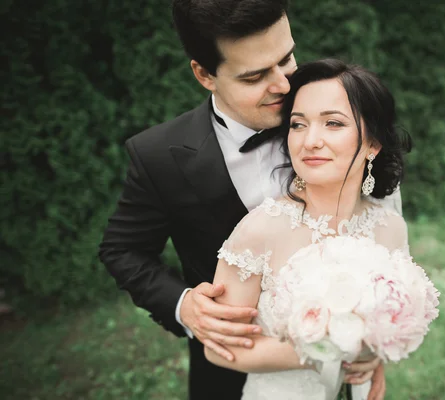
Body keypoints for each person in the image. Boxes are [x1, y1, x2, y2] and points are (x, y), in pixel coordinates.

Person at [99, 1, 400, 399]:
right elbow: (122, 249)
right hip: (232, 376)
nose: (283, 85)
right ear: (204, 74)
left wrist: (370, 346)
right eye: (255, 76)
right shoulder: (158, 156)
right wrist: (183, 304)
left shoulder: (339, 121)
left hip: (348, 380)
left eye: (287, 58)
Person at [204, 58, 412, 400]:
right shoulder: (260, 231)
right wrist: (323, 351)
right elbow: (217, 348)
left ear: (373, 143)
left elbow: (385, 321)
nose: (310, 140)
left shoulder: (390, 228)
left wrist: (374, 355)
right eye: (298, 125)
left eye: (332, 123)